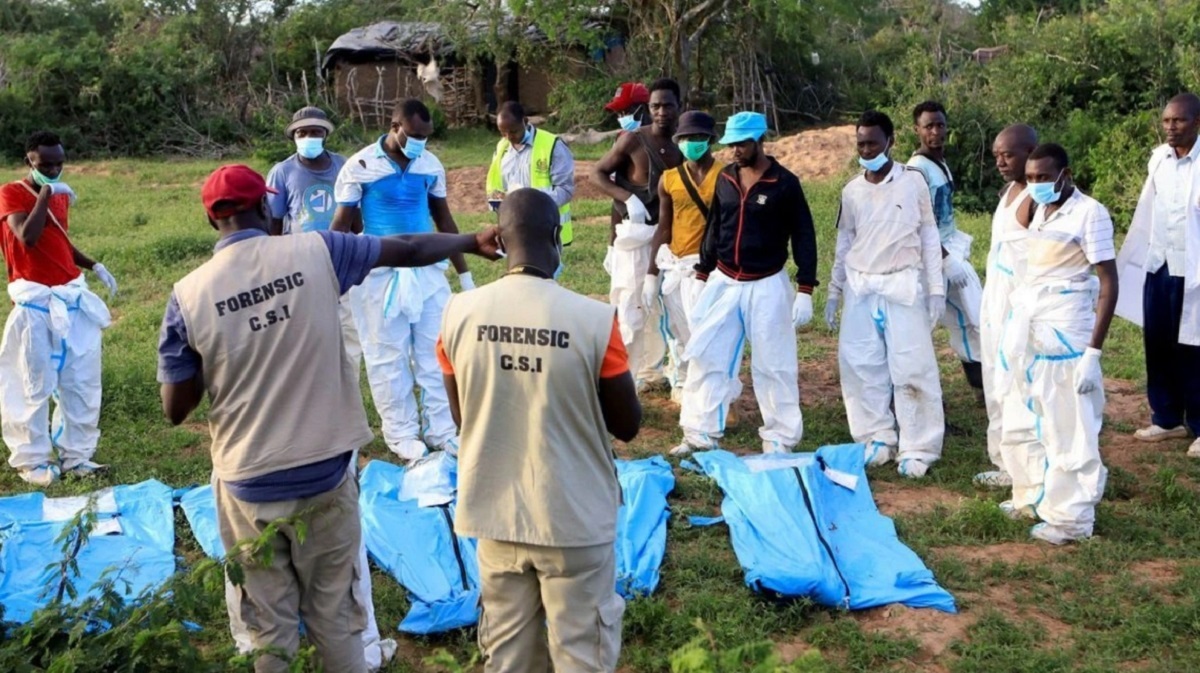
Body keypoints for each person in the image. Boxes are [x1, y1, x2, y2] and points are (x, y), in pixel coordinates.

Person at [157, 164, 500, 673]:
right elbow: (404, 248)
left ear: (212, 220)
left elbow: (174, 408)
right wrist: (470, 240)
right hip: (324, 471)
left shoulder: (186, 297)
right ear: (266, 209)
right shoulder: (320, 251)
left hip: (247, 481)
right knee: (335, 613)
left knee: (270, 626)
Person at [437, 188, 641, 673]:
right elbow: (628, 425)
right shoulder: (594, 320)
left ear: (500, 240)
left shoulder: (456, 316)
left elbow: (462, 418)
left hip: (495, 512)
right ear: (557, 236)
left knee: (508, 654)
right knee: (581, 653)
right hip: (573, 519)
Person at [331, 99, 472, 461]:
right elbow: (341, 228)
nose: (419, 143)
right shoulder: (360, 166)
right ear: (394, 126)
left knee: (435, 350)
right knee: (386, 355)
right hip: (377, 275)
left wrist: (465, 275)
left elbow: (445, 221)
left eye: (426, 137)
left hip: (427, 271)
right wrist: (330, 278)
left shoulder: (430, 165)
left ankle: (442, 429)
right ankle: (401, 433)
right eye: (413, 135)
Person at [673, 111, 817, 456]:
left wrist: (805, 288)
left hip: (766, 283)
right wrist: (703, 273)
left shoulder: (784, 184)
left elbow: (804, 235)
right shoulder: (726, 178)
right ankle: (699, 433)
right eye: (731, 145)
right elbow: (715, 226)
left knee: (774, 363)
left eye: (741, 144)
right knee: (709, 355)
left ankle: (780, 437)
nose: (735, 150)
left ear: (759, 141)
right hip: (724, 279)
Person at [994, 143, 1117, 544]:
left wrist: (1092, 354)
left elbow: (1108, 283)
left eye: (1044, 178)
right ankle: (1030, 495)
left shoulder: (1090, 213)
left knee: (1070, 427)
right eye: (1030, 179)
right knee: (1026, 415)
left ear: (1065, 174)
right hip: (1032, 328)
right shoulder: (1039, 210)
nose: (1035, 185)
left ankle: (1071, 520)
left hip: (1067, 335)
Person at [825, 110, 945, 478]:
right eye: (861, 143)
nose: (866, 149)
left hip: (902, 285)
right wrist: (834, 290)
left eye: (872, 143)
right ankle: (875, 437)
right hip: (862, 286)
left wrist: (936, 289)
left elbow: (928, 234)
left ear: (890, 142)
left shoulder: (913, 182)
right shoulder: (852, 190)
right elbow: (845, 241)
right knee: (861, 366)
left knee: (912, 367)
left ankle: (918, 446)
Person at [0, 131, 117, 486]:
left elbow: (58, 243)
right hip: (36, 305)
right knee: (32, 384)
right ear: (29, 162)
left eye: (58, 163)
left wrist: (92, 264)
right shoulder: (11, 194)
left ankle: (76, 456)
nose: (53, 170)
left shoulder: (59, 196)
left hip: (70, 296)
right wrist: (46, 194)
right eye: (44, 164)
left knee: (81, 380)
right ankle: (32, 461)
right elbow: (28, 237)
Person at [1118, 93, 1200, 456]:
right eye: (1166, 120)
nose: (1170, 127)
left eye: (1178, 121)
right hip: (1160, 264)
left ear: (1196, 122)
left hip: (1193, 269)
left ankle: (1198, 424)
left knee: (1194, 347)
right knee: (1158, 342)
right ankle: (1166, 418)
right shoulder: (1159, 160)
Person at [590, 78, 683, 393]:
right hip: (634, 238)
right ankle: (622, 383)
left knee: (669, 309)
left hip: (672, 239)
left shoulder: (685, 144)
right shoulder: (632, 141)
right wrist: (627, 200)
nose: (660, 112)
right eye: (655, 106)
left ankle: (653, 371)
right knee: (630, 310)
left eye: (667, 106)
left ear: (678, 107)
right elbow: (597, 174)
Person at [642, 110, 739, 405]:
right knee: (680, 330)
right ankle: (684, 384)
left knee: (716, 333)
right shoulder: (669, 179)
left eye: (697, 137)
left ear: (710, 140)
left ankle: (723, 395)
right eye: (685, 138)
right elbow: (664, 226)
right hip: (678, 266)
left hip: (713, 268)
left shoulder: (726, 176)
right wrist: (650, 273)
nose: (691, 143)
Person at [265, 106, 362, 383]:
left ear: (325, 135)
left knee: (348, 332)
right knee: (305, 332)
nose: (309, 137)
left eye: (315, 132)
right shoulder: (282, 172)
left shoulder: (345, 167)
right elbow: (274, 224)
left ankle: (347, 390)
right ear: (294, 136)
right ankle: (311, 390)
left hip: (342, 260)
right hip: (299, 263)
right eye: (302, 132)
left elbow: (357, 223)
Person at [907, 101, 985, 402]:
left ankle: (981, 388)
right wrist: (944, 258)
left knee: (969, 317)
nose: (935, 131)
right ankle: (914, 394)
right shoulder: (917, 170)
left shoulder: (939, 162)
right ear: (917, 130)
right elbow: (918, 224)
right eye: (929, 126)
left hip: (949, 250)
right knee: (922, 325)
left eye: (940, 125)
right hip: (931, 259)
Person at [974, 124, 1038, 488]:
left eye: (1008, 154)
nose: (1000, 161)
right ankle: (1003, 461)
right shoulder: (1009, 190)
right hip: (995, 299)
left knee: (1018, 385)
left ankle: (1024, 467)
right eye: (997, 154)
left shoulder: (1037, 198)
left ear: (1031, 151)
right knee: (995, 381)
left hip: (1019, 305)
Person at [485, 100, 575, 249]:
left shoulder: (552, 145)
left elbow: (565, 190)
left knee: (542, 272)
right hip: (514, 229)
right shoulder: (502, 148)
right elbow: (496, 184)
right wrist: (497, 199)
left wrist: (529, 200)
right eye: (503, 132)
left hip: (545, 229)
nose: (508, 137)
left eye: (513, 131)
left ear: (525, 121)